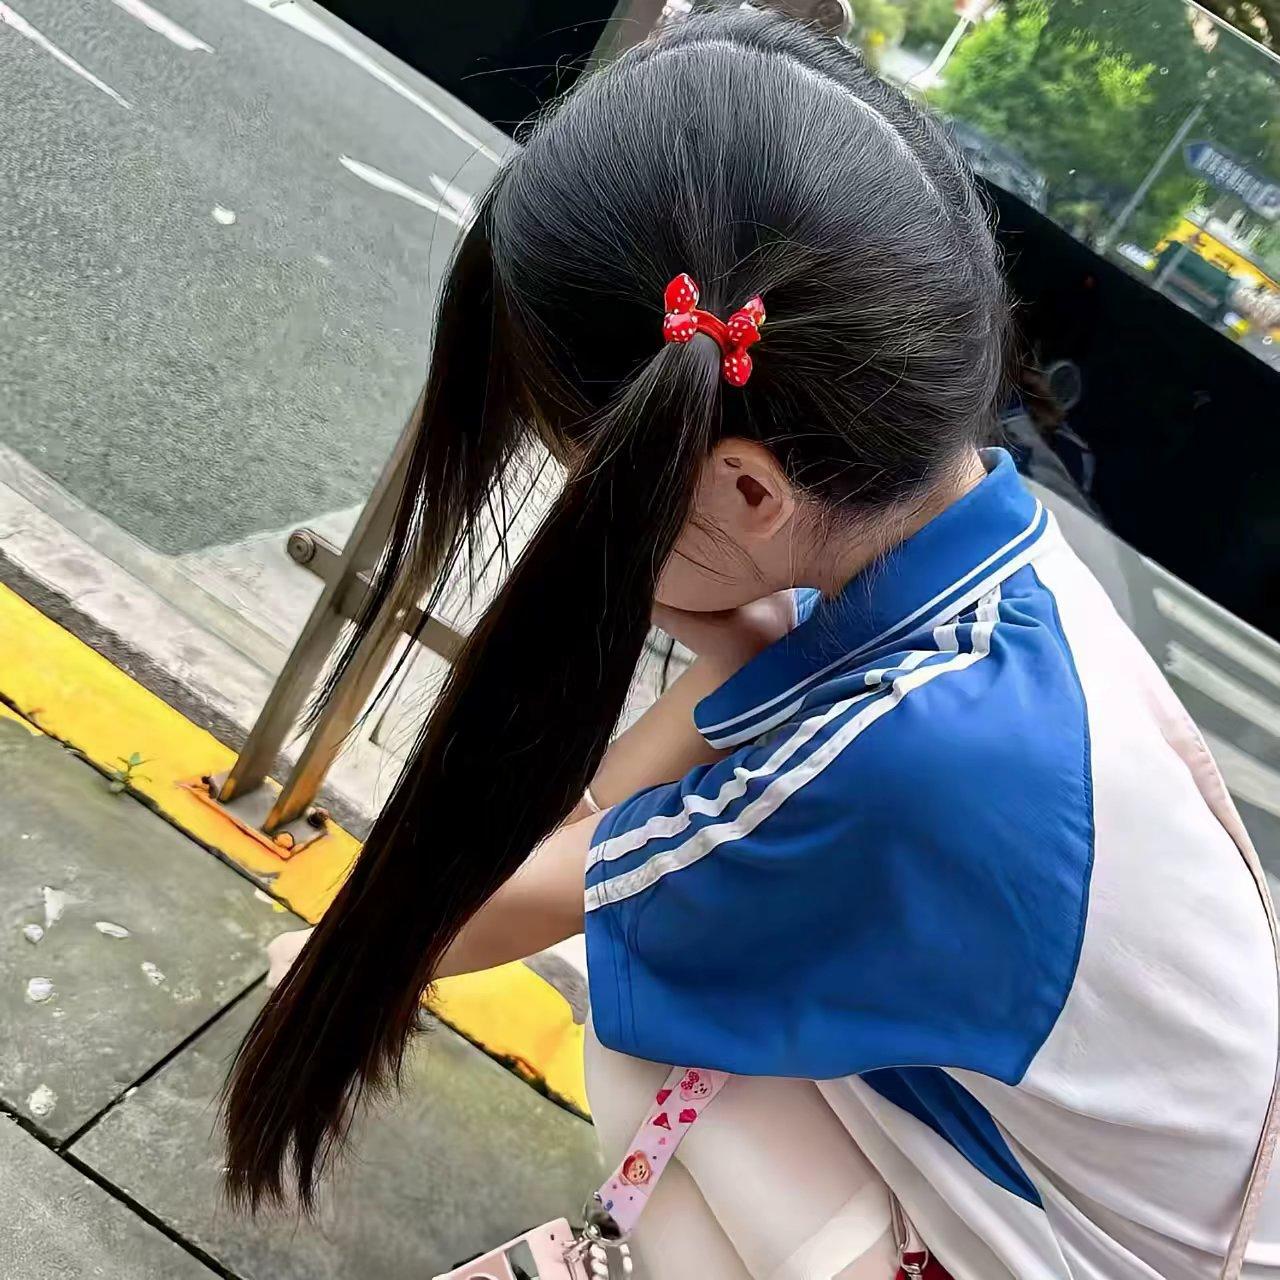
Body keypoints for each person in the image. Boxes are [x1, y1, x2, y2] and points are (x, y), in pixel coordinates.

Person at [221, 9, 1280, 1278]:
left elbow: (538, 897)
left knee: (646, 1043)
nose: (587, 515)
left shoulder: (914, 755)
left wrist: (328, 968)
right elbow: (630, 824)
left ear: (745, 488)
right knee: (689, 987)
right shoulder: (990, 577)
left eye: (594, 475)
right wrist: (742, 656)